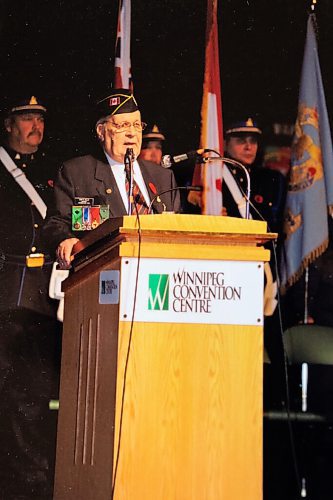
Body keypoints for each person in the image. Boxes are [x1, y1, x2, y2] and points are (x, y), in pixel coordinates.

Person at [0, 96, 62, 498]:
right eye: (27, 118)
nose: (35, 125)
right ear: (9, 124)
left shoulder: (55, 172)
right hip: (6, 286)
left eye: (40, 118)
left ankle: (31, 479)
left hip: (42, 295)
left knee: (33, 394)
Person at [43, 89, 180, 269]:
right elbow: (56, 223)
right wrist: (65, 239)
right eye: (122, 125)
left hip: (158, 276)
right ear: (101, 131)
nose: (132, 133)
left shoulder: (163, 177)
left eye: (137, 125)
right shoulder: (78, 173)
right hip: (102, 274)